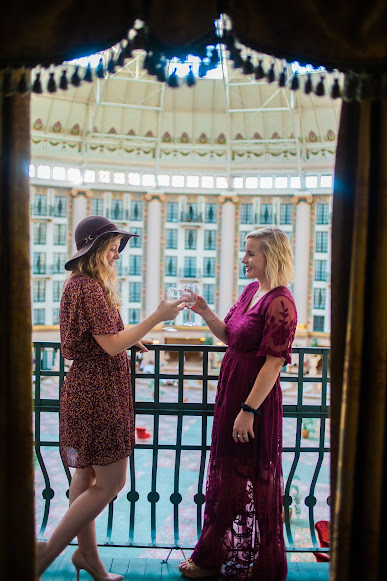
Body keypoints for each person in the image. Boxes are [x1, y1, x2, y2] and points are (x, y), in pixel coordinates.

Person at [36, 216, 184, 581]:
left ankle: (88, 558)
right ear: (96, 249)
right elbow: (110, 343)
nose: (118, 254)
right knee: (112, 483)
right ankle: (41, 560)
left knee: (84, 477)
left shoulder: (80, 285)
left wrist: (131, 338)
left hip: (87, 387)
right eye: (113, 247)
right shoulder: (88, 287)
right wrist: (157, 317)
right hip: (99, 392)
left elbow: (104, 336)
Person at [179, 227, 297, 581]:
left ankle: (258, 563)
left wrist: (249, 411)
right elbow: (230, 335)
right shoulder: (251, 291)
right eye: (245, 252)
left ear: (271, 258)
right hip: (233, 394)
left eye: (251, 254)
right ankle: (213, 555)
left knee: (256, 480)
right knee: (229, 476)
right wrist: (204, 311)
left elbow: (274, 362)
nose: (244, 260)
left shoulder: (281, 301)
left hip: (252, 402)